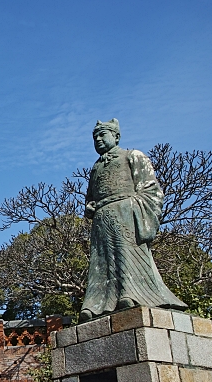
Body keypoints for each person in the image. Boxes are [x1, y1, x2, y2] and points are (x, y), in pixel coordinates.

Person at [80, 119, 186, 322]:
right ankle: (96, 304)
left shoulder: (132, 156)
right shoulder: (95, 169)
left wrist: (133, 208)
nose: (99, 139)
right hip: (102, 219)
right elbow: (90, 197)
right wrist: (90, 207)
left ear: (116, 136)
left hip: (126, 213)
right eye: (95, 137)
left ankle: (132, 294)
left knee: (127, 255)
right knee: (100, 262)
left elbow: (151, 189)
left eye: (103, 135)